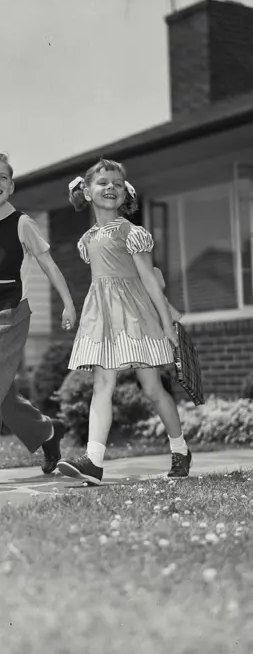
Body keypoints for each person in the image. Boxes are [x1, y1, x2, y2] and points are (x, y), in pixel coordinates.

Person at [57, 158, 192, 485]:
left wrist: (167, 325)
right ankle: (94, 461)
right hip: (103, 317)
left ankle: (180, 449)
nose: (111, 188)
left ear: (124, 192)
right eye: (103, 182)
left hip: (136, 317)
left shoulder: (132, 233)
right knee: (103, 385)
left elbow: (149, 282)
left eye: (117, 183)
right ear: (87, 192)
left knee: (152, 389)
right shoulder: (88, 239)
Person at [0, 152, 77, 487]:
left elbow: (48, 263)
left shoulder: (22, 223)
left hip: (11, 312)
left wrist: (67, 303)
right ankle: (47, 431)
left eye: (3, 177)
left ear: (12, 185)